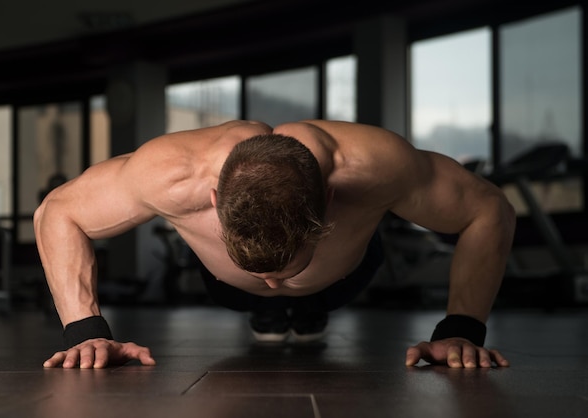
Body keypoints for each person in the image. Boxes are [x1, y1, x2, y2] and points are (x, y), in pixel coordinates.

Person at [35, 120, 515, 370]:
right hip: (226, 289)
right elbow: (57, 211)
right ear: (215, 200)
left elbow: (488, 208)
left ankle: (309, 307)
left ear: (328, 201)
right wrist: (86, 332)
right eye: (261, 270)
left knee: (313, 297)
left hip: (343, 280)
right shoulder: (168, 173)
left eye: (283, 270)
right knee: (256, 295)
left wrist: (461, 330)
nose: (269, 280)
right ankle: (271, 310)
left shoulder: (376, 167)